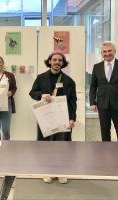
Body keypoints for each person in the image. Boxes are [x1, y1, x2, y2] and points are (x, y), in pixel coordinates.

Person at [29, 51, 77, 184]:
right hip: (46, 117)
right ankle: (47, 171)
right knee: (46, 145)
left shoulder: (69, 81)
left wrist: (72, 118)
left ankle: (61, 172)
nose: (57, 62)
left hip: (63, 117)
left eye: (60, 60)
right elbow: (32, 93)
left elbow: (73, 101)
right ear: (49, 61)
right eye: (54, 60)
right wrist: (41, 95)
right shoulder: (40, 78)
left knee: (62, 145)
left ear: (63, 63)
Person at [89, 41, 118, 142]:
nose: (107, 53)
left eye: (110, 51)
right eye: (104, 51)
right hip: (102, 105)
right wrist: (92, 102)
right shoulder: (97, 67)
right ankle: (105, 155)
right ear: (101, 53)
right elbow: (93, 86)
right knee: (104, 132)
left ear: (115, 51)